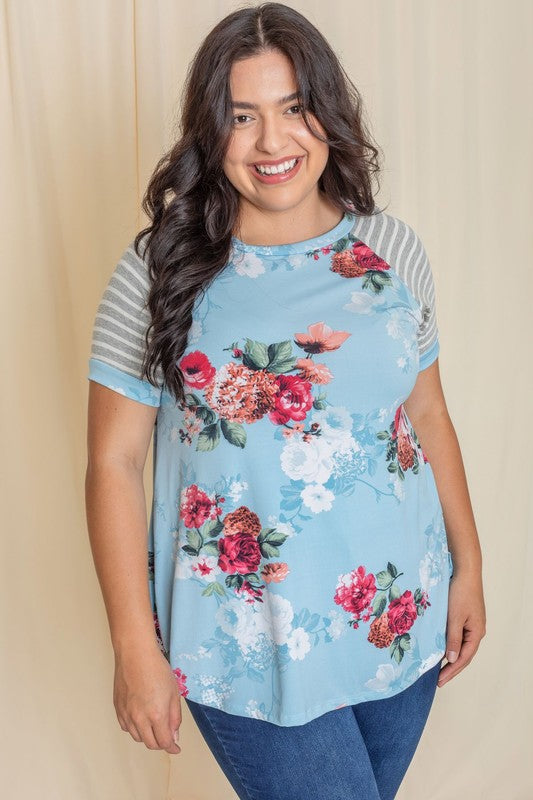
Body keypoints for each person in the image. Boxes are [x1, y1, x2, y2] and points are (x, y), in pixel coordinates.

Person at [85, 3, 486, 798]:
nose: (273, 141)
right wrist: (133, 644)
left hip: (397, 613)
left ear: (327, 115)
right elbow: (113, 460)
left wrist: (468, 567)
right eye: (242, 116)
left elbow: (427, 416)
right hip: (245, 641)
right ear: (211, 131)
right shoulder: (158, 272)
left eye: (294, 108)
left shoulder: (392, 250)